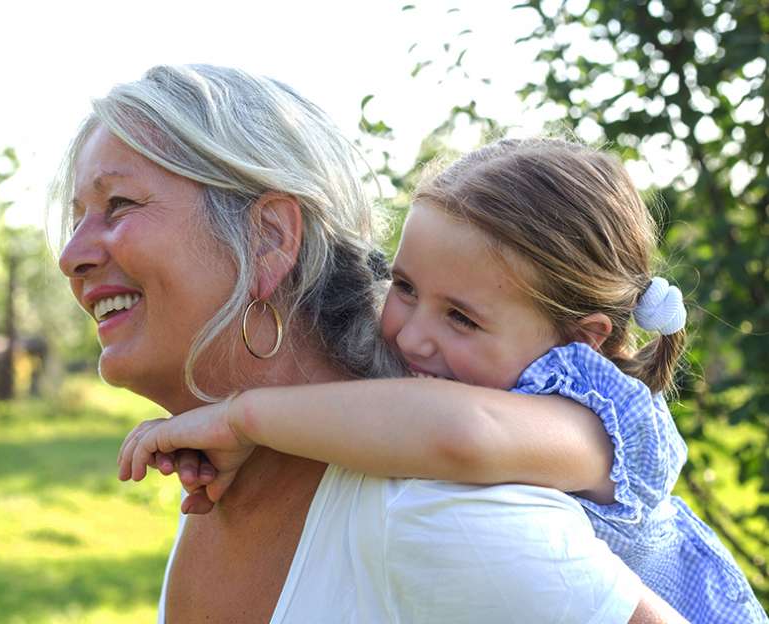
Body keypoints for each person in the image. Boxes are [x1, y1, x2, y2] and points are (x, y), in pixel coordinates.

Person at [59, 64, 684, 622]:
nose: (70, 256)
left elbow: (466, 434)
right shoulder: (235, 482)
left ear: (268, 240)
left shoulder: (435, 512)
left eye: (118, 204)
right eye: (405, 288)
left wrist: (242, 418)